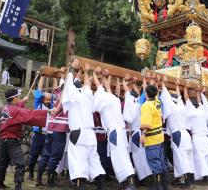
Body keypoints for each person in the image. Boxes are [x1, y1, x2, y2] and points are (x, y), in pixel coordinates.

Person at [0, 89, 59, 190]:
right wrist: (48, 111)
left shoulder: (7, 108)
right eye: (18, 97)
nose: (19, 98)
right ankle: (18, 186)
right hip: (12, 140)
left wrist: (22, 102)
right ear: (14, 98)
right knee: (20, 163)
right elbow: (30, 115)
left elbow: (17, 110)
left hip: (4, 139)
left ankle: (0, 184)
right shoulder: (16, 110)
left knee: (3, 162)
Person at [62, 61, 106, 190]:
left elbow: (68, 83)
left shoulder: (73, 95)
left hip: (78, 132)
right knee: (93, 159)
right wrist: (85, 71)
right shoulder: (87, 94)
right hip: (90, 133)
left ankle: (79, 184)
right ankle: (101, 184)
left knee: (78, 159)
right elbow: (87, 84)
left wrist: (72, 69)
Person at [93, 69, 137, 189]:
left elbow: (100, 88)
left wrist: (94, 74)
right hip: (120, 132)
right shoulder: (114, 100)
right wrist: (104, 77)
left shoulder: (104, 101)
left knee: (120, 158)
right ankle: (125, 183)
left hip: (114, 132)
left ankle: (130, 184)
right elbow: (107, 89)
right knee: (121, 158)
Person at [36, 68, 70, 187]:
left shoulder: (56, 92)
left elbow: (60, 83)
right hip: (59, 128)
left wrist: (61, 75)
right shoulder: (66, 95)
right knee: (55, 155)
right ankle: (50, 181)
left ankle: (39, 179)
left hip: (51, 126)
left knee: (46, 153)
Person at [161, 77, 194, 188]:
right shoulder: (181, 105)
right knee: (187, 157)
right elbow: (180, 97)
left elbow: (165, 94)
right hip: (186, 134)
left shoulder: (170, 105)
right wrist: (178, 85)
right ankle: (187, 180)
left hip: (177, 134)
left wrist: (163, 83)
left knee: (181, 158)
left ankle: (187, 182)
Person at [122, 75, 153, 183]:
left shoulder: (132, 102)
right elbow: (140, 94)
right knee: (142, 156)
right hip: (140, 132)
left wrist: (124, 81)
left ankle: (144, 179)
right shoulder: (140, 103)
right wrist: (133, 84)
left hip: (136, 133)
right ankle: (147, 178)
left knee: (138, 158)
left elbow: (128, 93)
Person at [184, 83, 208, 185]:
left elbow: (187, 99)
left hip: (197, 137)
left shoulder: (191, 110)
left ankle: (205, 177)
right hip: (205, 138)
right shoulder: (202, 110)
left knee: (199, 158)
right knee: (206, 157)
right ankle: (207, 176)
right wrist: (198, 92)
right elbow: (199, 101)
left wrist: (185, 88)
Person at [140, 83, 167, 190]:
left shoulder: (146, 105)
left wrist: (142, 135)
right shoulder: (157, 102)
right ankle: (165, 185)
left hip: (151, 138)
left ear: (146, 94)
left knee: (154, 162)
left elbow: (146, 122)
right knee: (161, 161)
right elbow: (154, 94)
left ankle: (158, 186)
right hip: (159, 136)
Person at [27, 75, 53, 181]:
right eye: (46, 99)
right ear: (42, 99)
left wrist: (55, 77)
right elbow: (39, 90)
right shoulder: (38, 104)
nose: (48, 101)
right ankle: (31, 172)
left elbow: (55, 93)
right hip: (38, 135)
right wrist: (42, 76)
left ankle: (42, 175)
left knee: (46, 156)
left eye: (49, 100)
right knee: (34, 155)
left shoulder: (52, 106)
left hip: (48, 135)